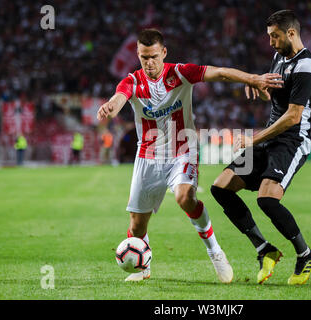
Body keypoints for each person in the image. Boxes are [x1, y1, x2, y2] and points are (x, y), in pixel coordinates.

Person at [97, 28, 282, 283]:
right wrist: (111, 107)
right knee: (137, 225)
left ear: (164, 53)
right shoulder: (132, 81)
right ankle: (144, 268)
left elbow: (220, 73)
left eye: (152, 56)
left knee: (185, 197)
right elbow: (120, 98)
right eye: (143, 57)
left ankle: (215, 252)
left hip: (182, 150)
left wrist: (251, 78)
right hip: (148, 156)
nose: (148, 62)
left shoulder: (180, 73)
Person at [210, 10, 311, 286]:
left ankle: (305, 254)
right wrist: (259, 87)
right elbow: (275, 95)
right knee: (220, 187)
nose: (270, 42)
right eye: (269, 36)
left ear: (291, 33)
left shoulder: (306, 65)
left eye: (275, 36)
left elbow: (293, 116)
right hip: (271, 137)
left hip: (292, 140)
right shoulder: (279, 57)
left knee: (267, 199)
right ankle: (264, 249)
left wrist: (254, 140)